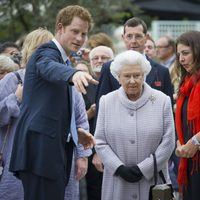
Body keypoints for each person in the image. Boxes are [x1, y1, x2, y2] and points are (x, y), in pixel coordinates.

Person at [9, 5, 97, 200]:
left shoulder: (63, 59)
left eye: (84, 33)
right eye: (75, 31)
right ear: (60, 28)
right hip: (39, 155)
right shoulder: (45, 52)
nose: (80, 38)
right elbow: (49, 67)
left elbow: (51, 109)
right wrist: (74, 73)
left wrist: (73, 131)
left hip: (50, 155)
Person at [94, 50, 175, 200]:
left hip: (153, 181)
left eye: (137, 75)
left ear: (144, 75)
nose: (132, 80)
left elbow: (168, 142)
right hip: (117, 182)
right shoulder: (107, 101)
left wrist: (143, 169)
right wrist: (118, 168)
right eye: (127, 76)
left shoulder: (162, 101)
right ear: (118, 77)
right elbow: (100, 141)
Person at [0, 28, 54, 200]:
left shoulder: (60, 81)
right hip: (16, 160)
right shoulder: (13, 79)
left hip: (48, 160)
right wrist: (16, 97)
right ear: (30, 50)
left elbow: (77, 118)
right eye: (40, 48)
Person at [95, 17, 174, 113]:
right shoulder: (108, 68)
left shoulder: (162, 71)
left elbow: (168, 110)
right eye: (129, 36)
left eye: (138, 36)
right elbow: (101, 108)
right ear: (123, 38)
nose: (133, 41)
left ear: (146, 38)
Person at [175, 30, 200, 200]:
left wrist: (196, 141)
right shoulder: (186, 84)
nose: (181, 59)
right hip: (191, 161)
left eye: (185, 53)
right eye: (179, 55)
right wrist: (180, 142)